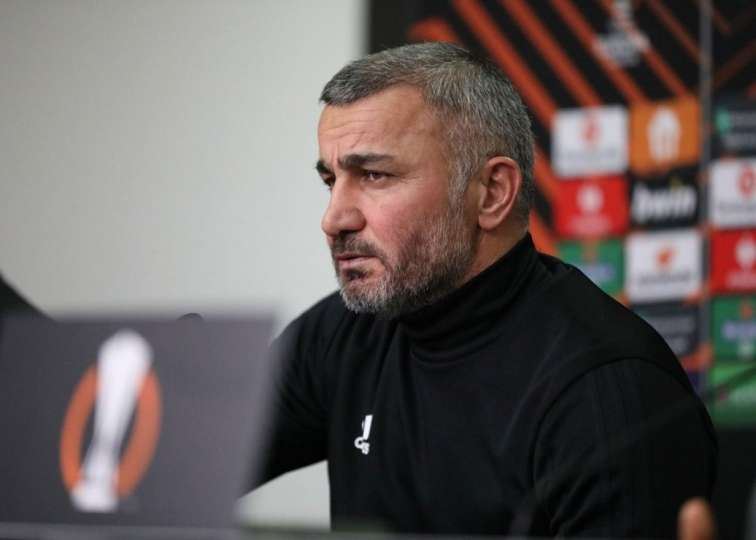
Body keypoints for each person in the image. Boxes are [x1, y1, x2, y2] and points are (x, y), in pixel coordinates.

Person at [258, 42, 717, 537]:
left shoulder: (605, 391)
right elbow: (200, 452)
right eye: (331, 180)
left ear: (492, 193)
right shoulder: (339, 334)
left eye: (374, 175)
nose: (334, 219)